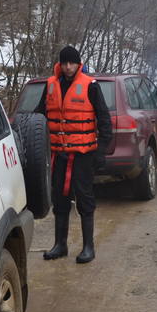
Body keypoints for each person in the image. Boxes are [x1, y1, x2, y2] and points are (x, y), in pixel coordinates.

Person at [35, 45, 113, 264]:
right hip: (58, 153)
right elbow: (39, 116)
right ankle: (60, 245)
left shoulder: (90, 86)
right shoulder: (51, 85)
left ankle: (88, 247)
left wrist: (101, 150)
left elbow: (104, 119)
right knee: (59, 199)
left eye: (72, 63)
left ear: (79, 64)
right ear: (60, 64)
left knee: (84, 198)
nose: (68, 67)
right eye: (65, 63)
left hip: (83, 154)